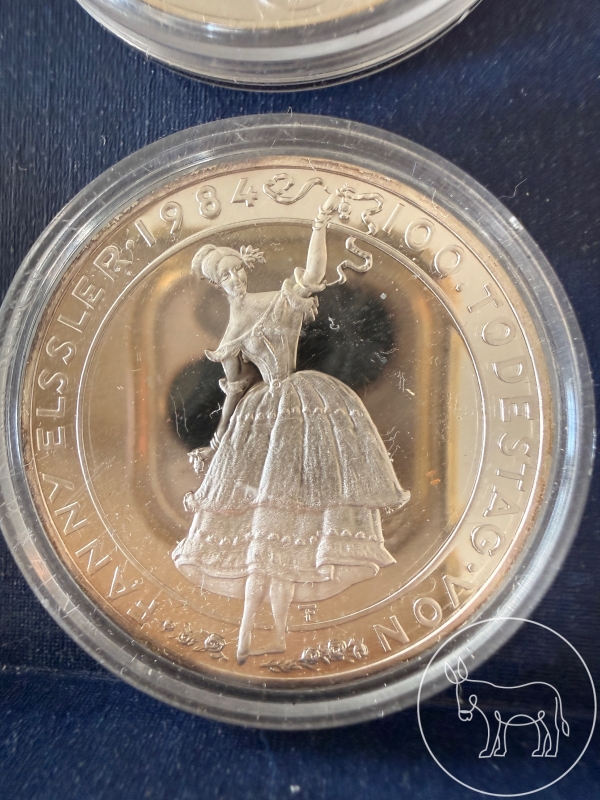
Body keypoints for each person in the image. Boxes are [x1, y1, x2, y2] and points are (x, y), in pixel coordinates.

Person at [173, 193, 410, 664]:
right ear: (217, 284)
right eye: (225, 277)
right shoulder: (232, 328)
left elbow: (313, 274)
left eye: (236, 271)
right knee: (263, 526)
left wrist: (319, 225)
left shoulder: (274, 301)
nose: (234, 280)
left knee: (294, 523)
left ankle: (271, 632)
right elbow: (234, 390)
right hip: (260, 416)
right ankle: (251, 632)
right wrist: (218, 439)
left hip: (304, 406)